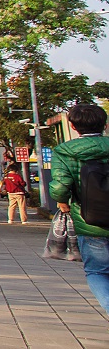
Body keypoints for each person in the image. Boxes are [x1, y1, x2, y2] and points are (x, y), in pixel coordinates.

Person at [48, 101, 109, 316]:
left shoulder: (65, 152)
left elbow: (60, 187)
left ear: (73, 127)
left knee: (97, 271)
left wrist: (63, 202)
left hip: (90, 221)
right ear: (105, 124)